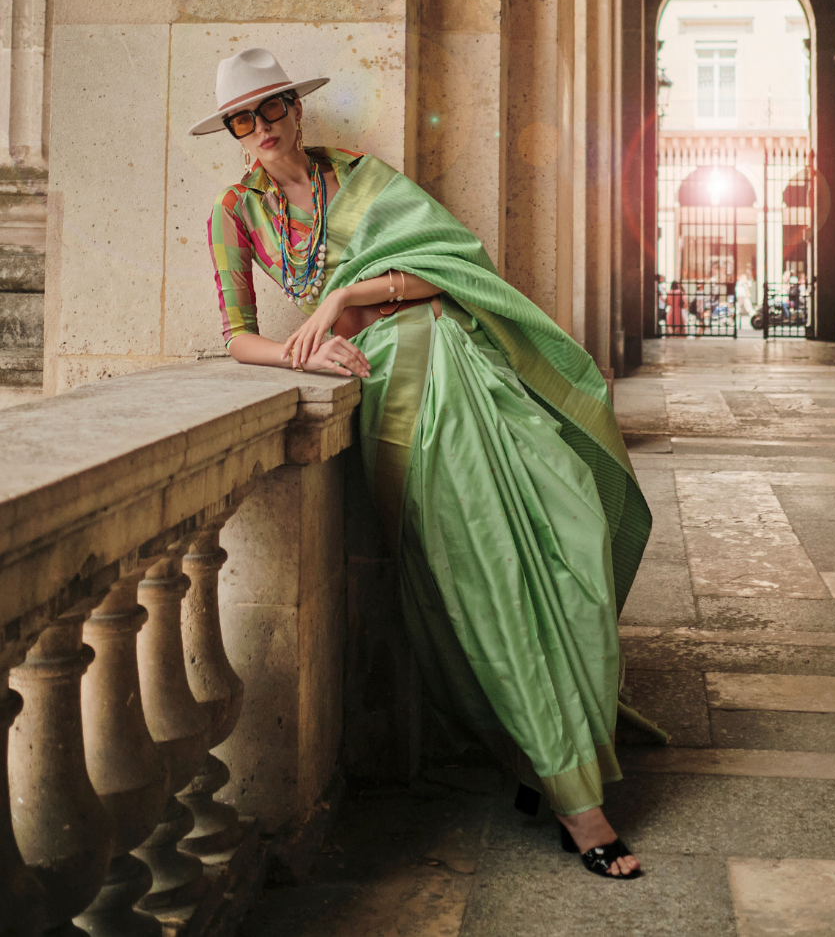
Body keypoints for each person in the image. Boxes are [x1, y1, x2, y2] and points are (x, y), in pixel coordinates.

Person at [192, 47, 660, 880]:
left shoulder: (364, 179)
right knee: (482, 573)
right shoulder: (234, 214)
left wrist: (342, 295)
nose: (261, 127)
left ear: (297, 108)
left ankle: (537, 761)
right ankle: (575, 801)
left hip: (465, 365)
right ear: (231, 131)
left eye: (272, 109)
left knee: (568, 541)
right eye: (243, 118)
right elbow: (236, 337)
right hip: (397, 397)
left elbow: (450, 273)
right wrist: (303, 356)